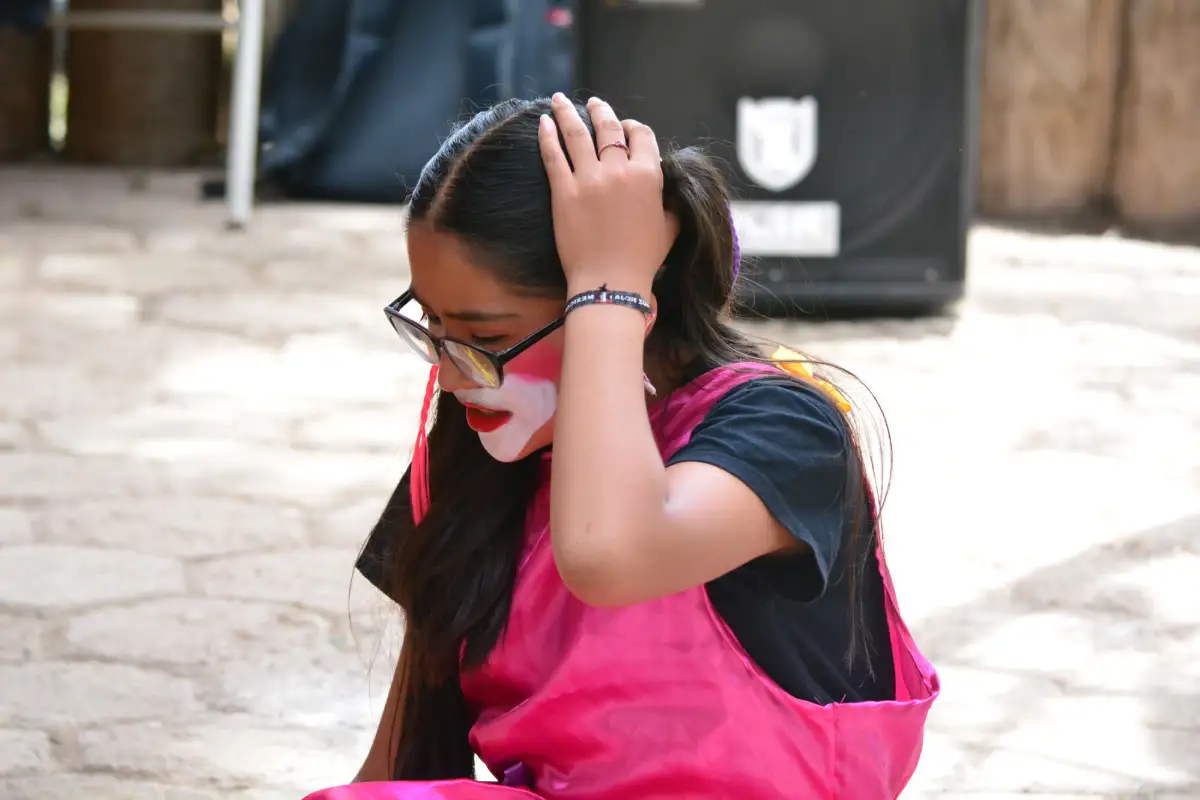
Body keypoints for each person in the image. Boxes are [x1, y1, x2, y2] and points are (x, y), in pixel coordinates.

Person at [304, 93, 938, 800]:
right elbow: (394, 771)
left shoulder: (781, 428)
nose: (451, 377)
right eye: (434, 329)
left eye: (485, 338)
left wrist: (606, 289)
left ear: (636, 300)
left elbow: (611, 555)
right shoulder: (471, 460)